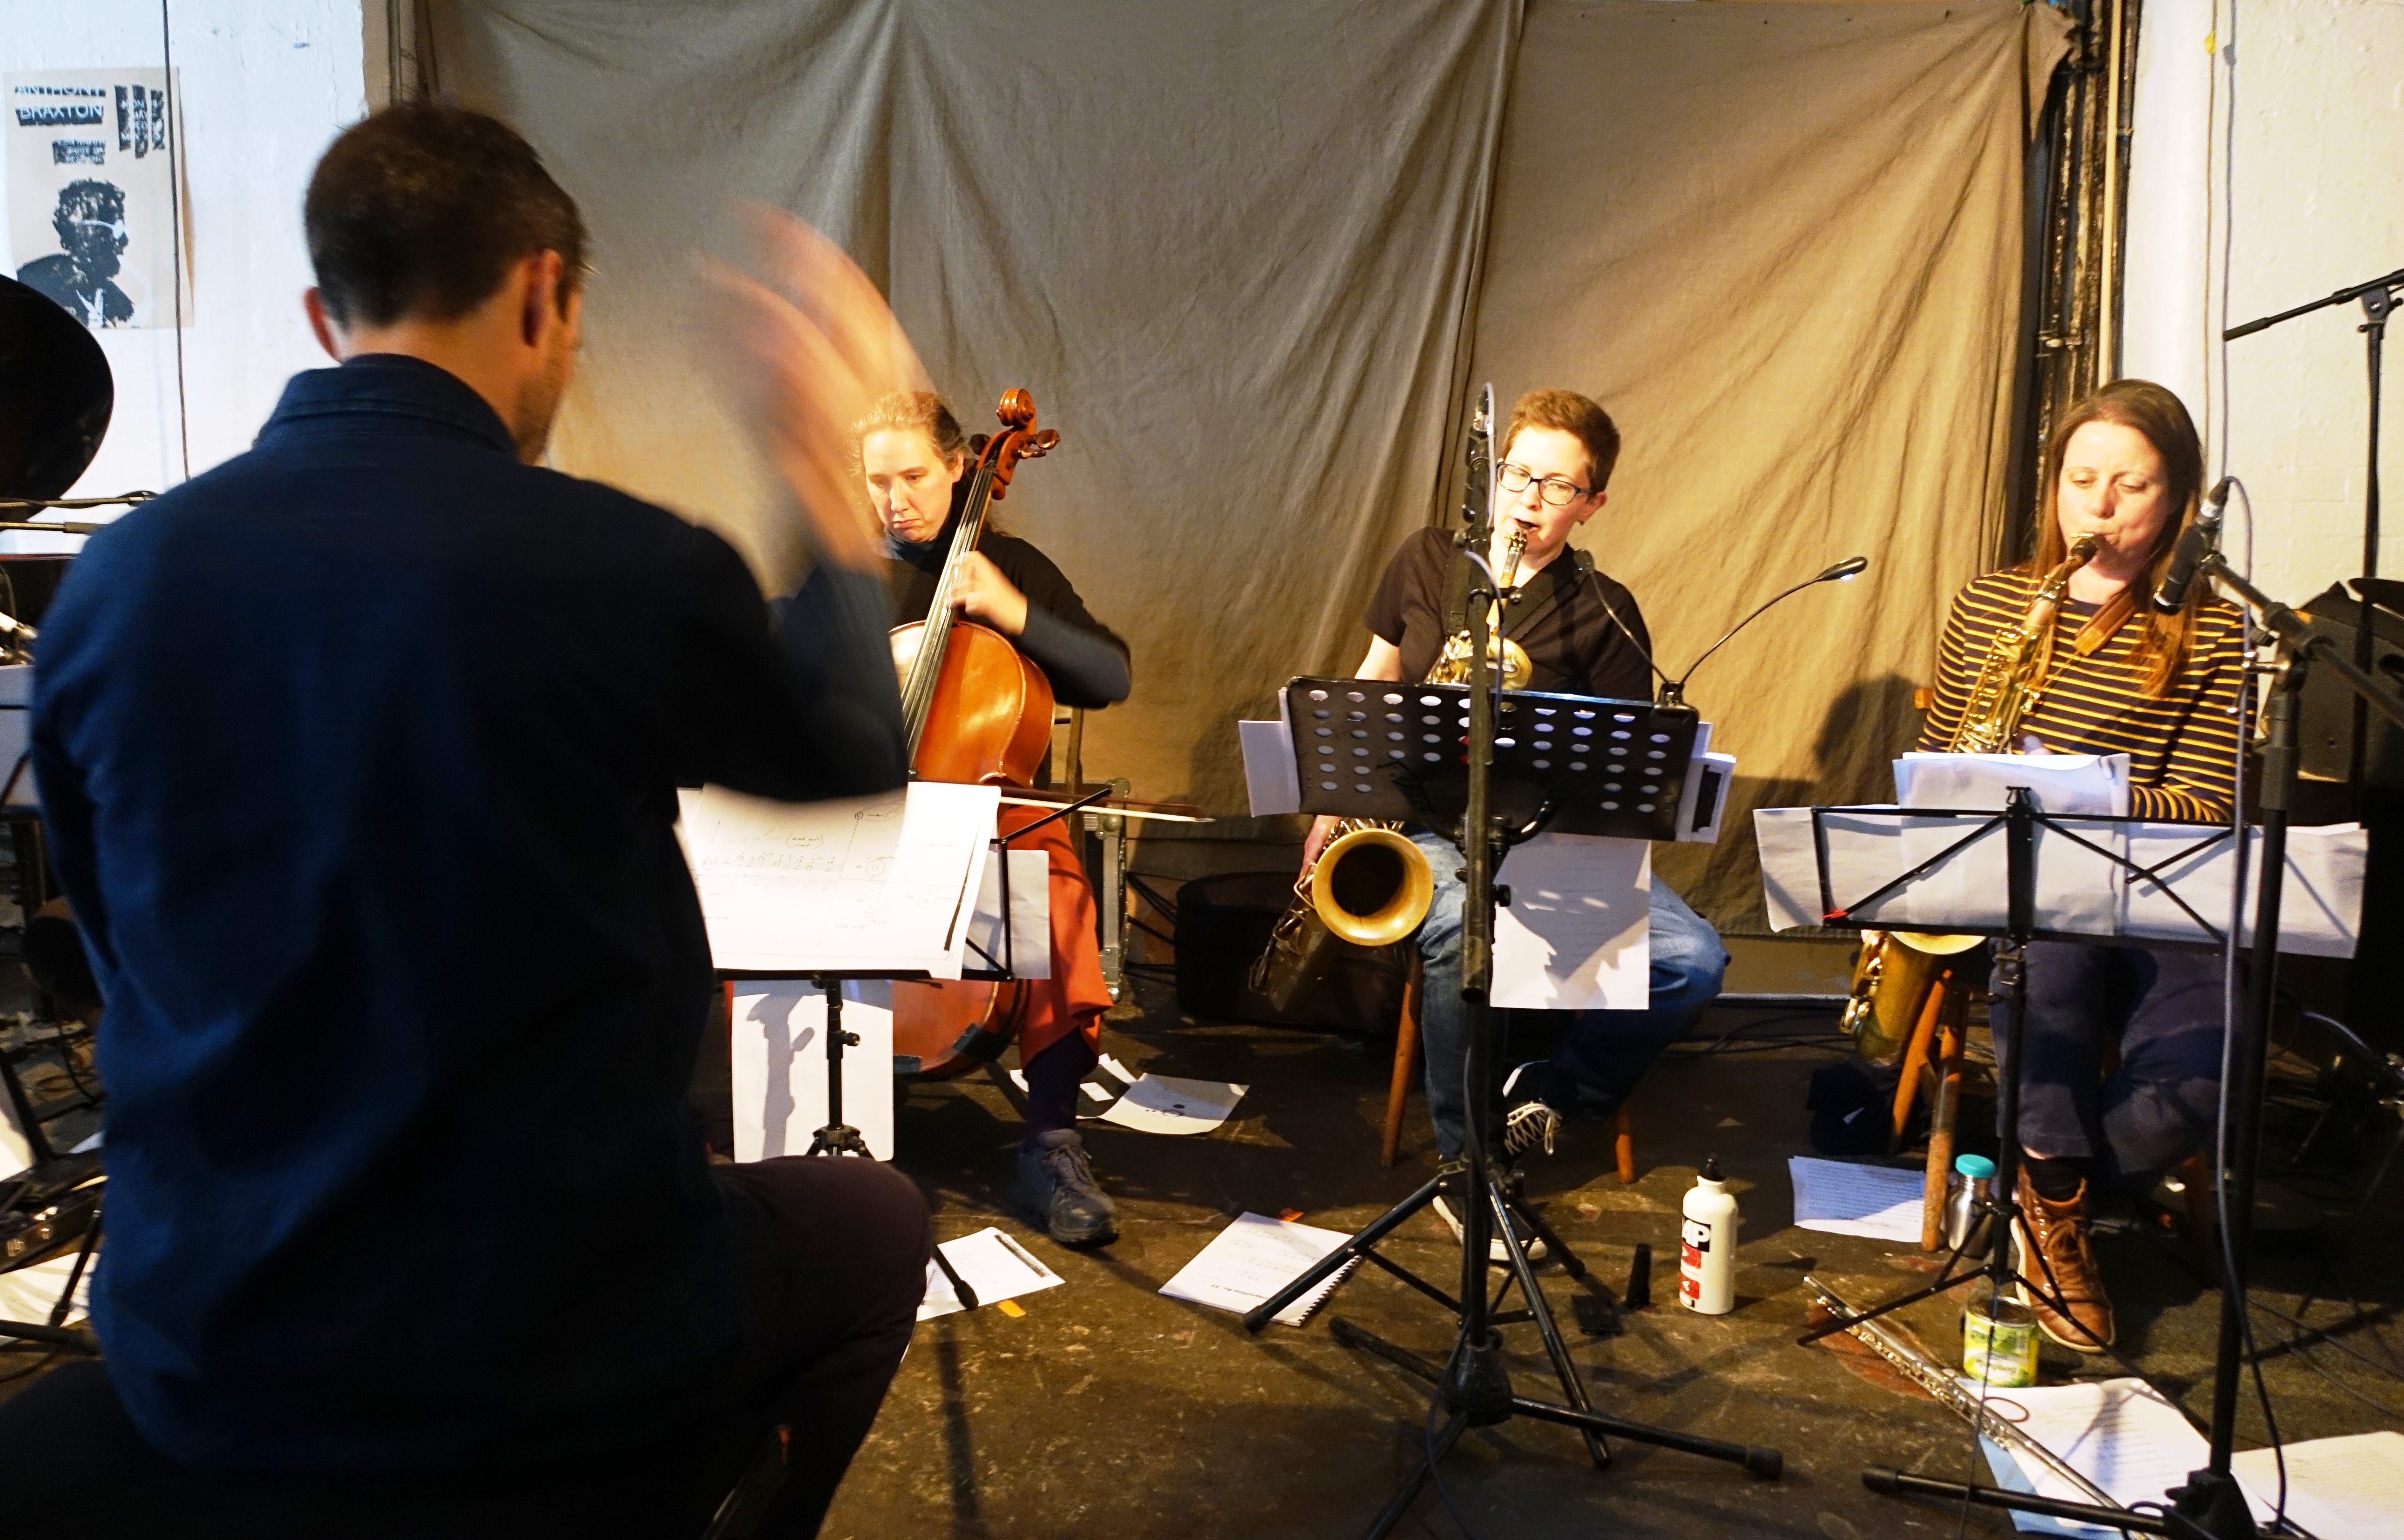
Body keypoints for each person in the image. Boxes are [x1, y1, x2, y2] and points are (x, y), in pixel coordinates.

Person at [0, 104, 930, 1537]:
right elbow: (857, 752)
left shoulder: (114, 584)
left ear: (323, 313)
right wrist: (818, 470)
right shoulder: (627, 565)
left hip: (214, 1341)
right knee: (871, 1225)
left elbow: (116, 946)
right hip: (546, 1356)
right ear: (546, 290)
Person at [1308, 388, 1729, 1246]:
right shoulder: (1427, 559)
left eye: (1555, 487)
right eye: (1515, 475)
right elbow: (1376, 673)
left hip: (1553, 839)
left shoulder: (1606, 607)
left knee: (1694, 958)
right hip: (1430, 826)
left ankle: (1550, 1088)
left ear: (1592, 504)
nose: (1527, 501)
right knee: (1460, 924)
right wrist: (1331, 800)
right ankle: (1465, 1171)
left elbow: (1622, 769)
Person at [1919, 378, 2244, 1352]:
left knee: (2211, 1056)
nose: (2096, 508)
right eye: (2080, 479)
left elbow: (2203, 804)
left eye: (2129, 486)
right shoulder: (1991, 601)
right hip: (2014, 890)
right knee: (2047, 960)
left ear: (2178, 498)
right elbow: (1937, 757)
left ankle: (2042, 1187)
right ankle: (2058, 1214)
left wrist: (2079, 787)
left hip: (2148, 887)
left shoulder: (2215, 627)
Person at [859, 390, 1134, 1247]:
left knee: (1052, 888)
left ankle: (1050, 1136)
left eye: (912, 474)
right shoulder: (845, 578)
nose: (895, 496)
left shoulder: (1010, 563)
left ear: (956, 466)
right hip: (866, 810)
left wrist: (1011, 613)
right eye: (877, 480)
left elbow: (1109, 674)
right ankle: (843, 1097)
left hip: (987, 812)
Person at [17, 179, 136, 328]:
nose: (123, 241)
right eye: (117, 228)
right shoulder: (33, 281)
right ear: (84, 232)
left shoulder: (120, 303)